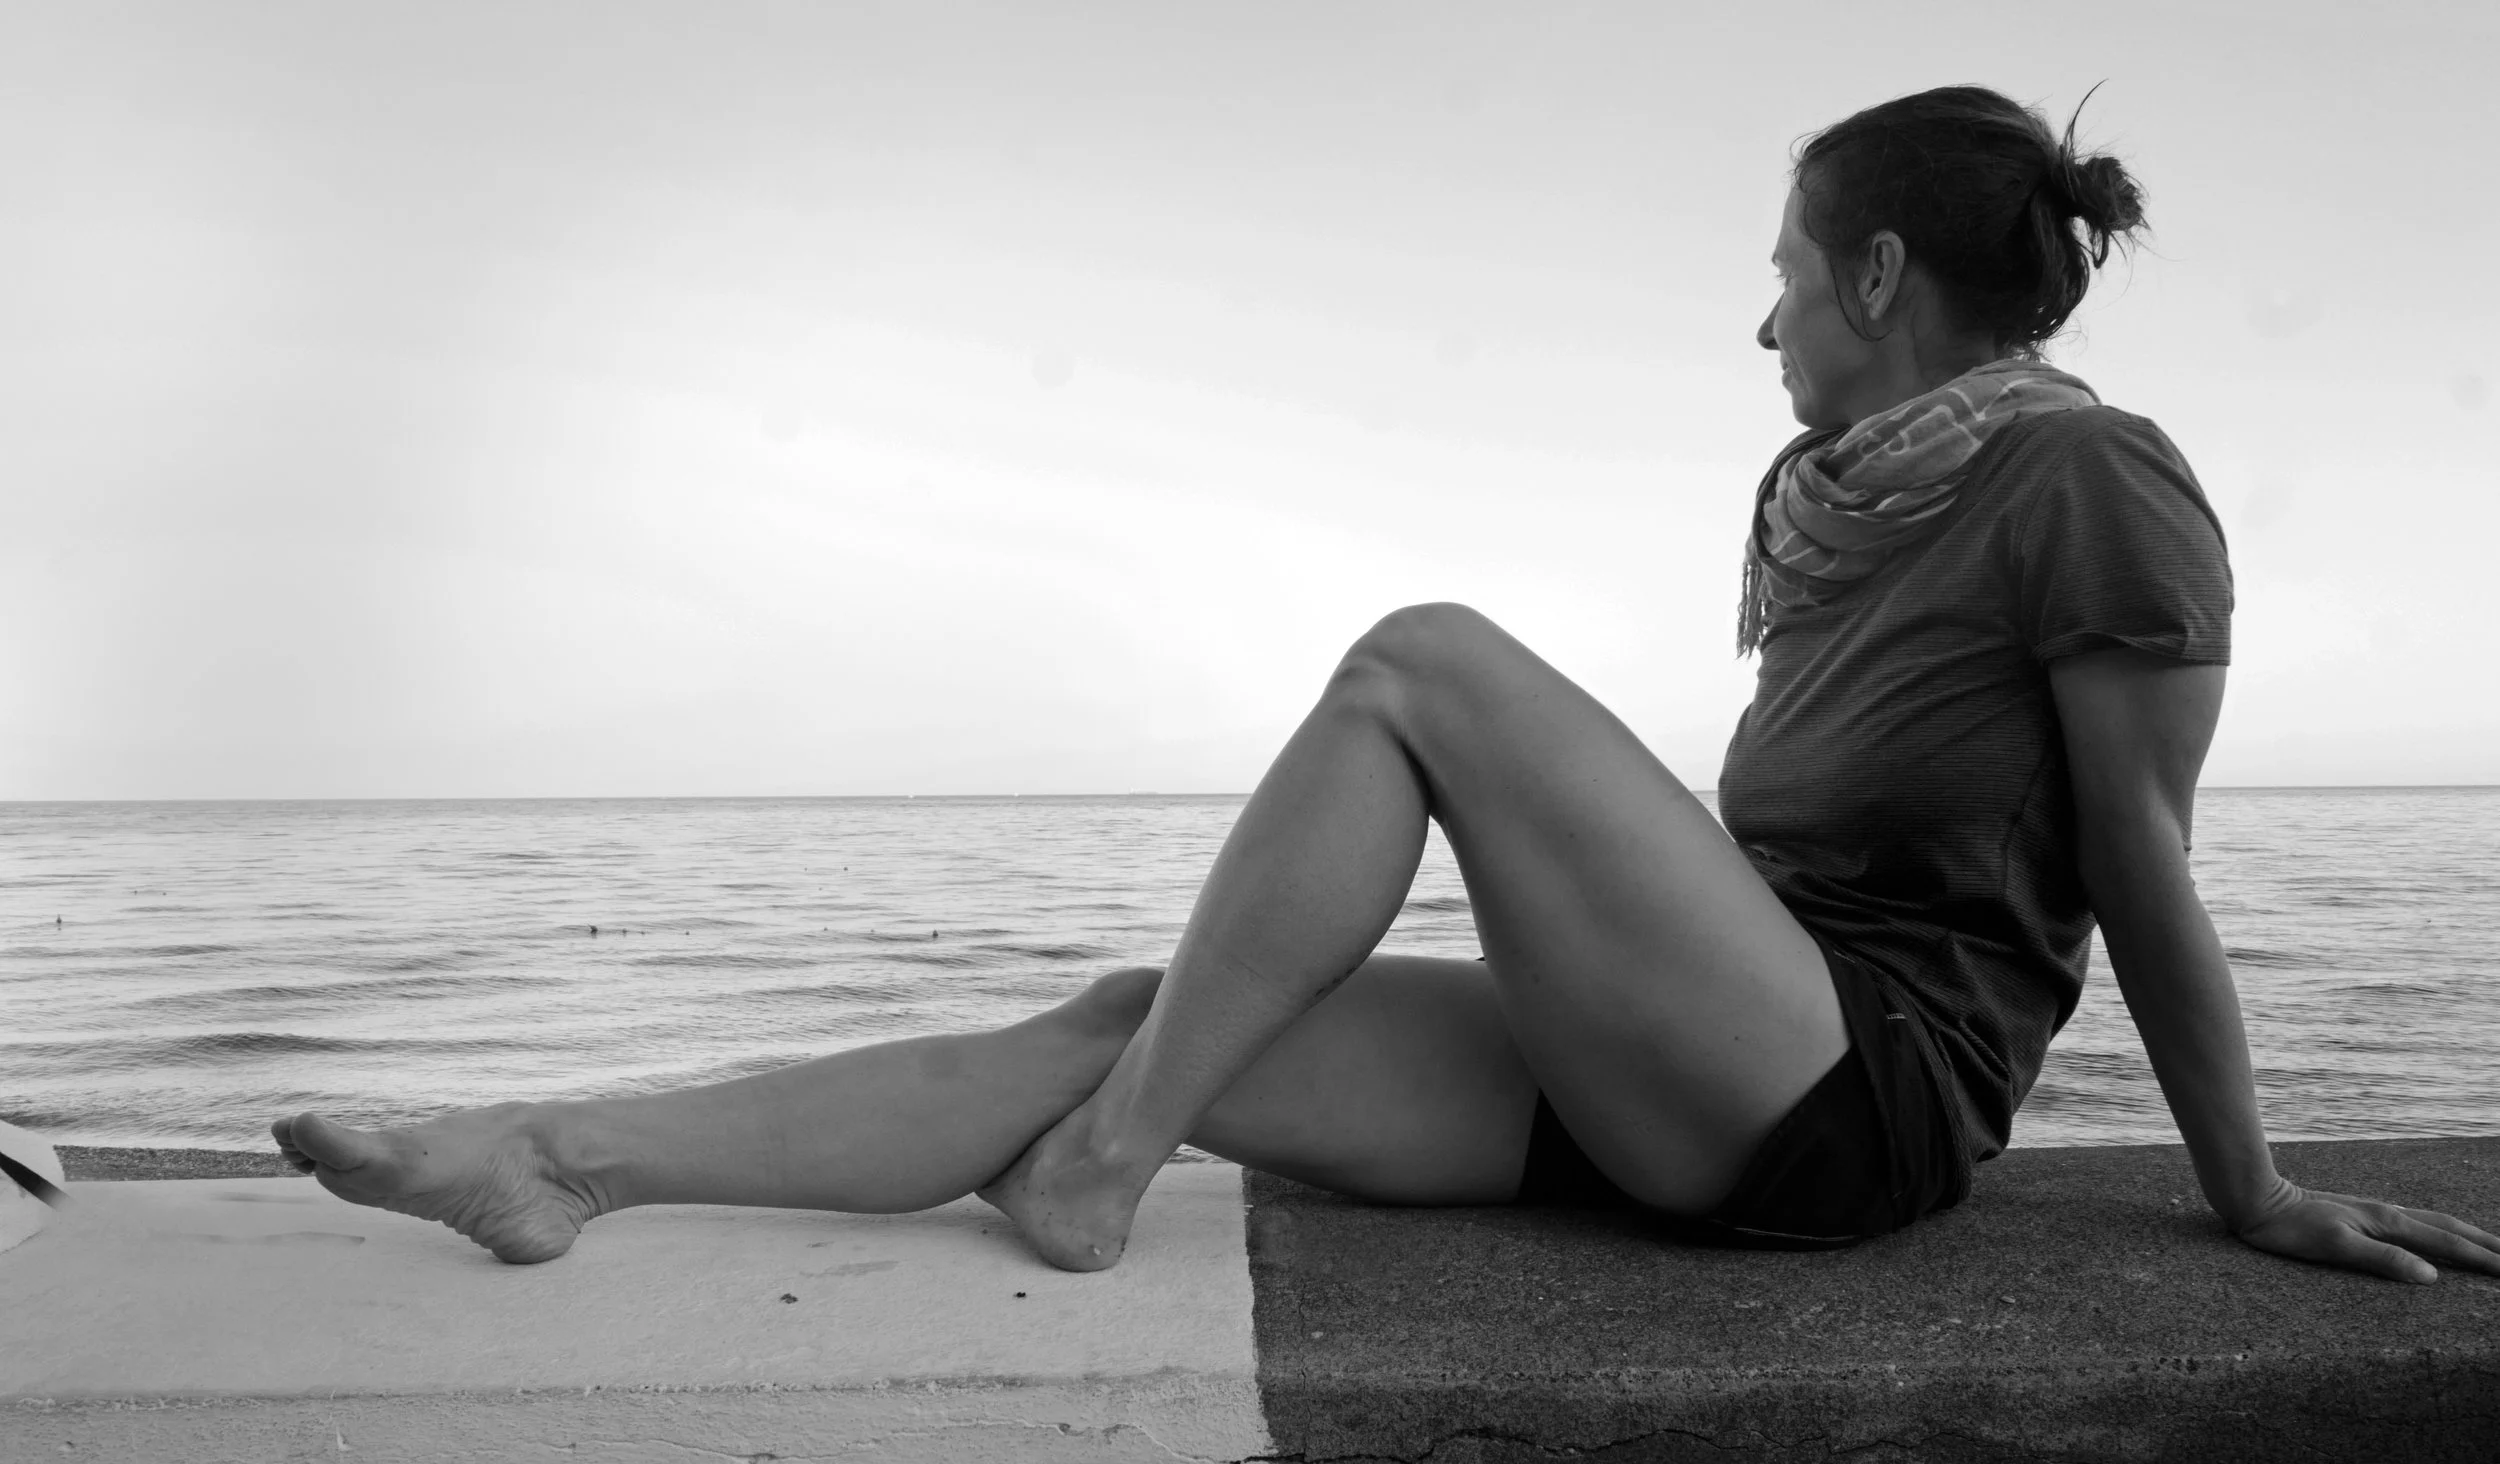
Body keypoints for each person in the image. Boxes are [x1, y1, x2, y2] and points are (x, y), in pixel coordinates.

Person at [273, 85, 2499, 1287]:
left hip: (1855, 1098)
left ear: (1879, 270)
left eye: (1781, 280)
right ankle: (552, 1154)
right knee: (1133, 1003)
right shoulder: (1830, 505)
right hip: (1703, 1058)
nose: (1763, 332)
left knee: (1416, 660)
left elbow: (2140, 861)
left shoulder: (2093, 484)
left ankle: (1095, 1174)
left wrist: (2244, 1184)